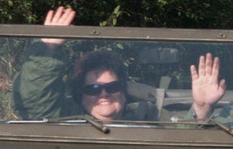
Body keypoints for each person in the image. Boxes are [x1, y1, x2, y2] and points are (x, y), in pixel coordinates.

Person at [12, 6, 146, 122]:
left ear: (123, 91)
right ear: (80, 95)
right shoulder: (67, 123)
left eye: (113, 87)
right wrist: (48, 49)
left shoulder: (148, 122)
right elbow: (37, 105)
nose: (104, 94)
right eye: (93, 89)